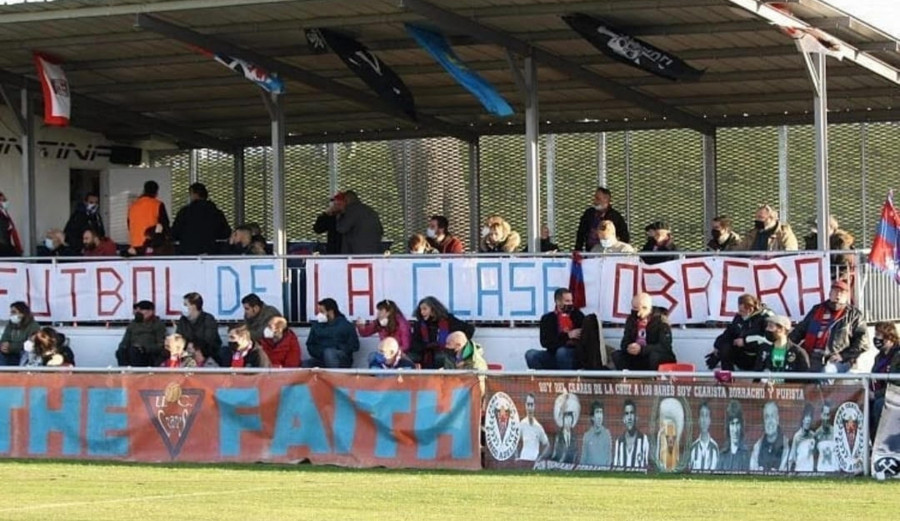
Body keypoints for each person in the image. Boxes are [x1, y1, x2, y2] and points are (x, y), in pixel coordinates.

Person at [789, 279, 867, 373]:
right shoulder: (817, 310)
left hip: (836, 359)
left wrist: (843, 355)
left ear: (846, 297)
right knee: (791, 370)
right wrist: (785, 345)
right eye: (835, 292)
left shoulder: (854, 315)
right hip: (810, 354)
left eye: (842, 293)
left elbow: (863, 342)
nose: (838, 295)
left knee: (827, 372)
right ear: (830, 294)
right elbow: (800, 331)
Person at [709, 294, 772, 371]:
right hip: (743, 354)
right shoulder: (739, 317)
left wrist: (745, 342)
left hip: (758, 355)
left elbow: (768, 339)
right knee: (725, 347)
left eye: (743, 311)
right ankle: (727, 377)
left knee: (764, 348)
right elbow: (729, 332)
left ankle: (757, 379)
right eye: (739, 310)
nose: (740, 313)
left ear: (751, 309)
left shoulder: (765, 317)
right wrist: (717, 345)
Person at [614, 293, 676, 371]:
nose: (634, 311)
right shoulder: (631, 319)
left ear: (645, 308)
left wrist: (642, 349)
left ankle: (652, 380)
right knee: (617, 355)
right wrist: (629, 347)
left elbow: (664, 346)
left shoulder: (661, 320)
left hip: (655, 355)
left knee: (654, 356)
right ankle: (628, 379)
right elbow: (624, 341)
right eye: (633, 307)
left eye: (636, 308)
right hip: (637, 356)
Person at [525, 288, 584, 370]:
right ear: (558, 302)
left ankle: (566, 381)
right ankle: (545, 382)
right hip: (553, 354)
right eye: (567, 301)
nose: (570, 303)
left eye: (571, 301)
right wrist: (568, 336)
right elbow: (546, 342)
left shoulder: (578, 316)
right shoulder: (547, 318)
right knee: (530, 354)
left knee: (562, 352)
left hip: (572, 356)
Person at [411, 296, 475, 369]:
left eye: (425, 309)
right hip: (425, 353)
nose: (422, 312)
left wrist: (459, 342)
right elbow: (415, 343)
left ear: (433, 309)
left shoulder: (448, 320)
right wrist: (427, 346)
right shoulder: (419, 324)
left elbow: (469, 329)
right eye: (420, 310)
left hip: (445, 352)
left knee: (441, 357)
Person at [171, 182, 231, 255]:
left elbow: (175, 233)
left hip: (188, 253)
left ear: (194, 194)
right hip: (210, 252)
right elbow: (226, 233)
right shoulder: (216, 213)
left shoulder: (185, 212)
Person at [304, 298, 359, 368]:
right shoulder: (316, 325)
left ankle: (334, 378)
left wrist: (338, 348)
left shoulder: (345, 325)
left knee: (329, 353)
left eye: (322, 311)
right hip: (321, 358)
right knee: (306, 364)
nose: (319, 314)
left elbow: (355, 346)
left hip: (341, 360)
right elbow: (310, 344)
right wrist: (319, 352)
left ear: (330, 311)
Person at [870, 321, 900, 440]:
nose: (876, 338)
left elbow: (896, 384)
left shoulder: (898, 356)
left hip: (895, 395)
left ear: (889, 337)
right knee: (862, 404)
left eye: (879, 335)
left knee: (879, 405)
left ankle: (882, 444)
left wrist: (875, 395)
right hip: (880, 394)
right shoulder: (879, 357)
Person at [356, 299, 411, 365]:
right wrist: (361, 327)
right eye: (378, 310)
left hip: (400, 354)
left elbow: (406, 345)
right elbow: (365, 333)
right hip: (385, 354)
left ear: (389, 312)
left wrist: (393, 354)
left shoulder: (402, 323)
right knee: (372, 357)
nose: (378, 313)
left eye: (381, 311)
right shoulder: (378, 323)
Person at [176, 292, 223, 366]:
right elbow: (178, 337)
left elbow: (210, 340)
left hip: (208, 354)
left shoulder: (208, 319)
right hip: (187, 354)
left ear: (194, 306)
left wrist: (195, 346)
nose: (182, 307)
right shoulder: (182, 320)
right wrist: (187, 346)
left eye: (185, 305)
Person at [576, 186, 629, 251]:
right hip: (591, 251)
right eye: (595, 198)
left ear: (606, 199)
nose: (594, 201)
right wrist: (578, 250)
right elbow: (580, 234)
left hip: (609, 252)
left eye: (598, 199)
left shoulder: (615, 216)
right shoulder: (589, 214)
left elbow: (624, 236)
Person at [803, 215, 855, 280]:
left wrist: (832, 279)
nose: (815, 229)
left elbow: (845, 268)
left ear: (831, 228)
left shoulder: (841, 242)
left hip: (835, 281)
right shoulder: (812, 240)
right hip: (815, 279)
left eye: (819, 226)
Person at [115, 301, 166, 367]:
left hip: (148, 354)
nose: (138, 312)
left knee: (135, 351)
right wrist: (122, 347)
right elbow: (125, 341)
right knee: (121, 351)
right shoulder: (133, 324)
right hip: (131, 352)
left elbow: (160, 345)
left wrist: (144, 348)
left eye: (141, 310)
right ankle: (124, 372)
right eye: (137, 310)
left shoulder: (158, 324)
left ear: (150, 311)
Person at [335, 190, 384, 254]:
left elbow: (341, 228)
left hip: (357, 253)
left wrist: (339, 215)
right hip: (374, 251)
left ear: (347, 200)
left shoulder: (351, 210)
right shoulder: (370, 210)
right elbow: (381, 230)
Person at [127, 180, 170, 250]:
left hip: (135, 246)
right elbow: (164, 224)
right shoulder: (158, 204)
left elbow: (129, 225)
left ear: (144, 190)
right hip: (151, 246)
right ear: (156, 192)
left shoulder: (133, 206)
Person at [749, 401, 789, 471]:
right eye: (767, 417)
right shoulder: (757, 448)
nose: (770, 421)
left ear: (778, 419)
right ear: (764, 421)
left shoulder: (788, 447)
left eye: (772, 416)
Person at [0, 302, 40, 366]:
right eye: (11, 312)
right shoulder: (10, 324)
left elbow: (29, 345)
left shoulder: (33, 326)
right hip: (8, 354)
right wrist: (3, 345)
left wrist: (11, 347)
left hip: (23, 355)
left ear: (22, 313)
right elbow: (4, 337)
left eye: (14, 312)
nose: (11, 314)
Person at [613, 399, 649, 469]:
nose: (629, 417)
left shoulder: (644, 440)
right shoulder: (619, 442)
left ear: (636, 417)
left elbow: (647, 467)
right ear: (624, 419)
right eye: (626, 414)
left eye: (631, 413)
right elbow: (615, 468)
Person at [718, 400, 750, 471]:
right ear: (728, 427)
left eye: (737, 424)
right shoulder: (722, 456)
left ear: (741, 426)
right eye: (732, 424)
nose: (735, 430)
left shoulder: (747, 455)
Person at [518, 393, 550, 462]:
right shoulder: (521, 424)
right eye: (528, 404)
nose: (529, 408)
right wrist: (516, 457)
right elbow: (515, 442)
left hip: (533, 464)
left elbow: (547, 445)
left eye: (531, 405)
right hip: (522, 462)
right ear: (525, 406)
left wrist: (540, 458)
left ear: (534, 406)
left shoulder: (538, 427)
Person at [580, 400, 612, 467]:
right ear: (592, 417)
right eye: (597, 412)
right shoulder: (587, 436)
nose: (599, 416)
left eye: (601, 412)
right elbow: (583, 459)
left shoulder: (607, 435)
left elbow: (609, 458)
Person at [689, 402, 718, 471]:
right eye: (702, 415)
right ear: (698, 420)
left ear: (710, 420)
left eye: (706, 416)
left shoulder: (714, 448)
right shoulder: (693, 448)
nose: (704, 420)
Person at [788, 403, 817, 472]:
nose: (808, 421)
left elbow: (815, 454)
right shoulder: (797, 437)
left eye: (810, 417)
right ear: (803, 420)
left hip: (810, 471)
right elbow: (792, 457)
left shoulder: (813, 436)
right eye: (806, 417)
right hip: (799, 469)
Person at [814, 401, 837, 473]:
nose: (826, 418)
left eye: (828, 415)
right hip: (820, 471)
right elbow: (814, 455)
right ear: (821, 415)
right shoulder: (817, 434)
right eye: (824, 415)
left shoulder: (835, 432)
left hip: (834, 472)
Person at [0, 191, 22, 257]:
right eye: (3, 200)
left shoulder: (5, 214)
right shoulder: (2, 215)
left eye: (5, 200)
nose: (6, 202)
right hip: (3, 249)